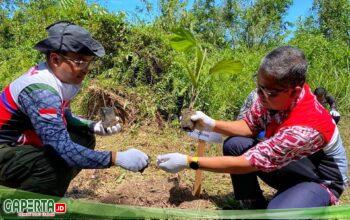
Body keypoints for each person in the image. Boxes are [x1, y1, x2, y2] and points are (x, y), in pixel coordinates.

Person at [157, 46, 348, 209]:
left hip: (320, 179)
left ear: (295, 91)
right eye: (259, 87)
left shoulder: (306, 128)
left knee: (278, 215)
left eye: (268, 92)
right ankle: (254, 205)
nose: (260, 95)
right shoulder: (271, 96)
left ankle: (309, 201)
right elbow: (249, 126)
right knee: (234, 145)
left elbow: (248, 163)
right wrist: (212, 124)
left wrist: (189, 161)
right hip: (291, 163)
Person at [0, 21, 149, 197]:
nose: (85, 70)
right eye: (80, 61)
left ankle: (46, 191)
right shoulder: (41, 91)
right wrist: (116, 158)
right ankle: (24, 209)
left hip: (20, 143)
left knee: (83, 137)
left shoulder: (60, 80)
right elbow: (63, 149)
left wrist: (93, 126)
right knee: (56, 161)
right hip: (4, 148)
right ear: (55, 59)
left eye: (88, 62)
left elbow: (65, 115)